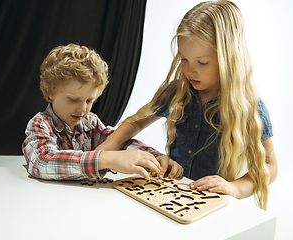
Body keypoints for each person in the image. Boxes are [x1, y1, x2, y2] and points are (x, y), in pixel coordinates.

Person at [96, 0, 278, 209]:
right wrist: (108, 149)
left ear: (229, 57)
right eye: (184, 59)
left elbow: (270, 166)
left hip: (211, 205)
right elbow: (136, 122)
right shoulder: (177, 92)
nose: (190, 71)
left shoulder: (249, 106)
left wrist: (236, 188)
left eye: (202, 62)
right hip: (170, 196)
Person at [22, 43, 183, 181]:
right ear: (51, 91)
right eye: (73, 99)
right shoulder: (40, 124)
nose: (82, 108)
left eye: (89, 101)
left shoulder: (90, 122)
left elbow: (119, 142)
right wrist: (106, 158)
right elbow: (42, 162)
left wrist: (154, 158)